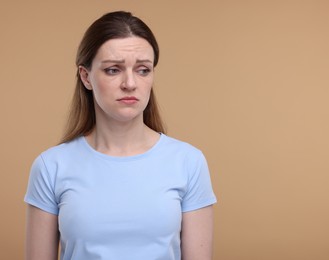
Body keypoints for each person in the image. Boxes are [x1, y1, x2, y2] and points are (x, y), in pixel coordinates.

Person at [24, 11, 217, 260]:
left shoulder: (189, 162)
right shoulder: (51, 166)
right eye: (113, 70)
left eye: (143, 70)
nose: (130, 83)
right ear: (86, 77)